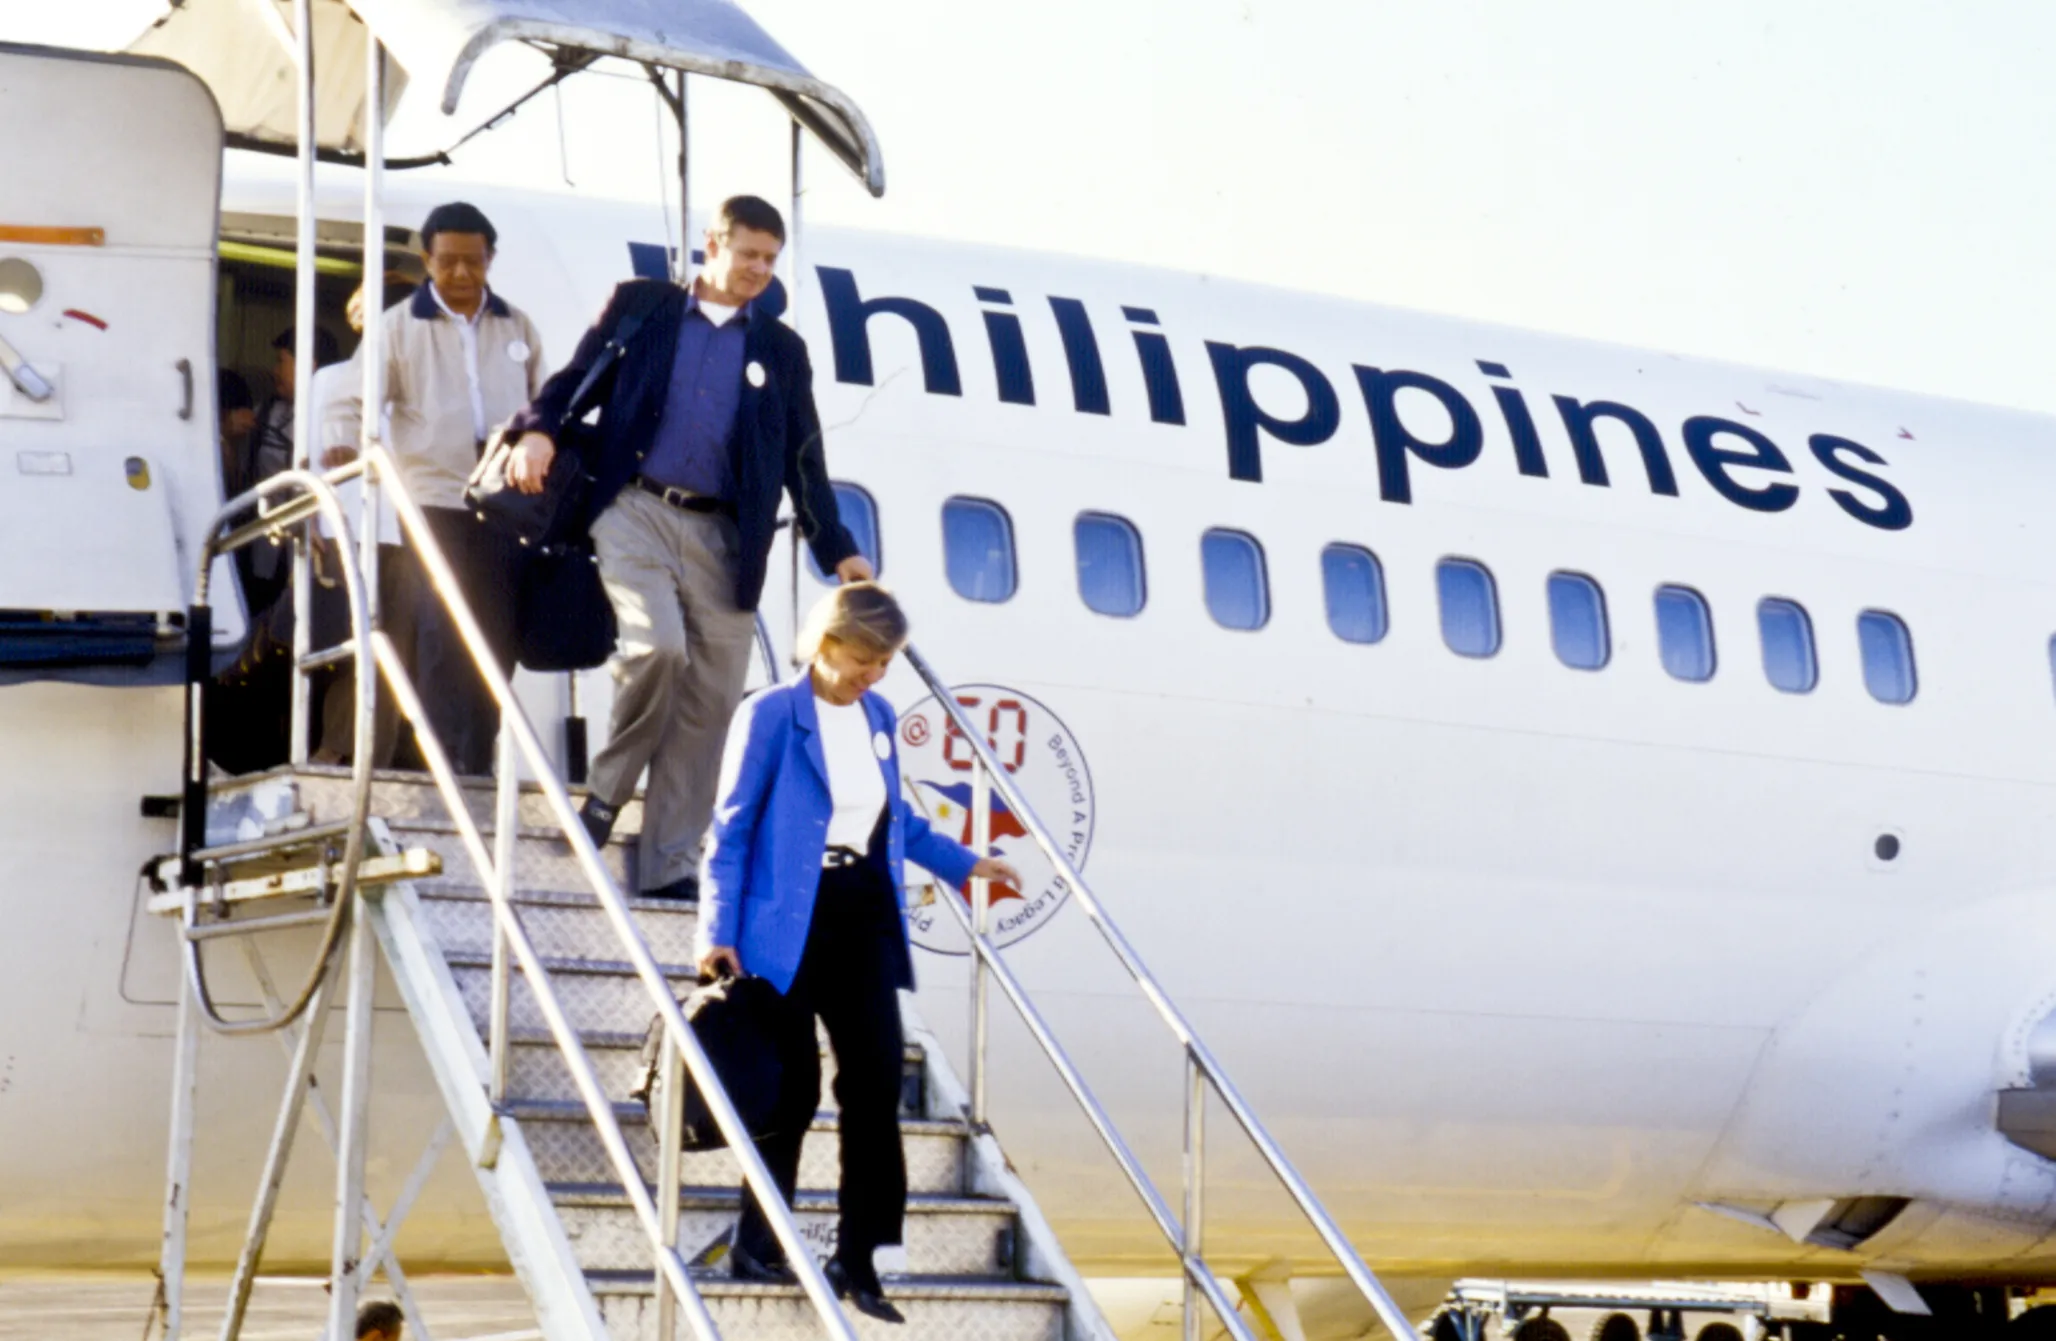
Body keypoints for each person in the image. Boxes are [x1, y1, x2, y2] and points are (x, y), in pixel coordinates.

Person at [504, 194, 872, 900]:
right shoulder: (643, 308)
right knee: (657, 648)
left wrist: (839, 549)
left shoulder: (781, 351)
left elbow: (805, 459)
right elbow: (572, 382)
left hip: (725, 536)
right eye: (749, 254)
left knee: (710, 699)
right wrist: (540, 428)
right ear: (713, 244)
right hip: (635, 507)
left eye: (771, 259)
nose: (760, 269)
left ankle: (671, 860)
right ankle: (608, 792)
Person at [697, 583, 1018, 1323]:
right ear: (827, 641)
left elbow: (896, 817)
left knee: (874, 1083)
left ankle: (860, 1253)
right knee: (793, 1090)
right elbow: (732, 830)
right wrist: (717, 930)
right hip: (786, 924)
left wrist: (967, 863)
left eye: (884, 664)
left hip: (862, 911)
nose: (874, 675)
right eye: (864, 659)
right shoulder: (772, 714)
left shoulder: (877, 716)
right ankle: (758, 1239)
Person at [323, 202, 546, 775]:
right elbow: (349, 398)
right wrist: (342, 443)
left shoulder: (517, 325)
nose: (462, 275)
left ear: (490, 259)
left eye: (473, 262)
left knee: (496, 640)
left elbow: (547, 404)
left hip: (505, 504)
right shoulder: (398, 327)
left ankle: (477, 762)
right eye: (448, 263)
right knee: (443, 635)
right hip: (434, 498)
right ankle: (444, 766)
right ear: (428, 261)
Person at [310, 277, 419, 768]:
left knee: (382, 652)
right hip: (366, 532)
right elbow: (314, 463)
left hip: (383, 532)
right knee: (374, 650)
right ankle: (344, 753)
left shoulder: (332, 380)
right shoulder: (335, 381)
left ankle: (359, 755)